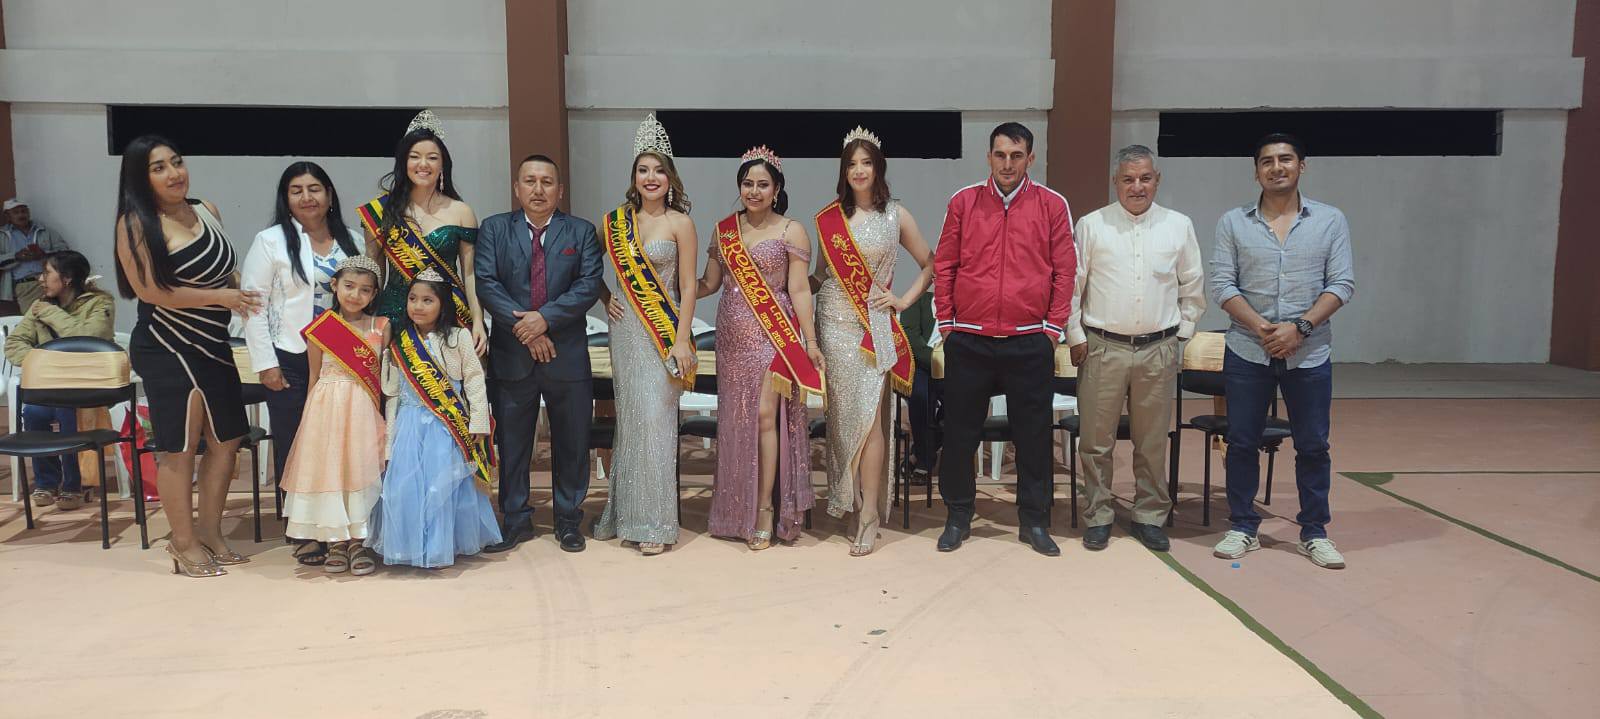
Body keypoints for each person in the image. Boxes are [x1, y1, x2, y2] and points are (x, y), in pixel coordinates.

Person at [112, 135, 263, 577]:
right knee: (178, 448)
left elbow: (227, 273)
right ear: (141, 178)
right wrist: (224, 297)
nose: (174, 173)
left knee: (227, 441)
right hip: (166, 343)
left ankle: (211, 533)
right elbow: (151, 292)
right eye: (158, 167)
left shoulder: (206, 209)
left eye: (176, 162)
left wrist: (250, 295)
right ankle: (182, 541)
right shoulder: (134, 223)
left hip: (214, 342)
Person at [1209, 133, 1354, 570]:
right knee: (1241, 441)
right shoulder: (1233, 222)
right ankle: (1243, 526)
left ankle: (1315, 532)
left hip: (1309, 353)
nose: (1277, 167)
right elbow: (1222, 285)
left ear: (1301, 166)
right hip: (1247, 349)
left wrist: (1300, 327)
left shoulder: (1330, 220)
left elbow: (1342, 283)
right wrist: (1262, 328)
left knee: (1313, 445)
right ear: (1256, 171)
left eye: (1286, 159)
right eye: (1267, 161)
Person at [932, 122, 1075, 556]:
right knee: (960, 435)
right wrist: (948, 324)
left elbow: (1065, 270)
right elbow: (945, 264)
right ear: (989, 157)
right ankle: (958, 516)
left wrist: (1052, 329)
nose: (1007, 164)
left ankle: (1034, 522)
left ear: (1030, 158)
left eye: (1016, 155)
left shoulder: (1052, 205)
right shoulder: (964, 202)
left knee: (1033, 437)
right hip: (970, 340)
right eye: (1000, 155)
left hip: (1029, 341)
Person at [1066, 145, 1205, 552]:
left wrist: (1183, 335)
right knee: (1095, 442)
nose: (1137, 186)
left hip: (1158, 348)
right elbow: (1073, 285)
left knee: (1152, 441)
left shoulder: (1178, 226)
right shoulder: (1092, 225)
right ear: (1116, 182)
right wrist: (1075, 335)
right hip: (1102, 347)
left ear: (1157, 180)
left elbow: (1193, 285)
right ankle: (1098, 514)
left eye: (1145, 178)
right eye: (1128, 179)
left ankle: (1149, 515)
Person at [811, 127, 933, 556]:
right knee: (842, 420)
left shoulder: (896, 215)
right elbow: (822, 275)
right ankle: (852, 499)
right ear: (843, 171)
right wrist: (789, 293)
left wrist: (903, 300)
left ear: (878, 168)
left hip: (872, 326)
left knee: (871, 420)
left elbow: (930, 263)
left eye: (866, 163)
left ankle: (869, 513)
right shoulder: (830, 219)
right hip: (832, 321)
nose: (859, 170)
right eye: (851, 164)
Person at [474, 154, 604, 554]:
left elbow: (588, 285)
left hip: (567, 355)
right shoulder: (495, 229)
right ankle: (515, 521)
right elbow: (487, 284)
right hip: (512, 356)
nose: (538, 189)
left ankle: (568, 520)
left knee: (572, 442)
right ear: (517, 188)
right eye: (529, 181)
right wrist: (528, 332)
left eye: (547, 182)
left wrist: (543, 320)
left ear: (559, 190)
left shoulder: (581, 231)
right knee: (513, 445)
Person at [699, 146, 826, 550]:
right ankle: (736, 509)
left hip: (774, 336)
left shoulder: (792, 230)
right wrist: (672, 289)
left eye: (762, 184)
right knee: (736, 420)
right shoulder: (724, 231)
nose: (754, 191)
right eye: (747, 183)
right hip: (732, 338)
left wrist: (810, 341)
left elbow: (799, 289)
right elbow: (709, 284)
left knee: (765, 416)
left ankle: (766, 509)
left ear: (776, 189)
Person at [240, 162, 364, 562]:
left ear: (329, 194)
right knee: (296, 442)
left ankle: (345, 527)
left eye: (315, 189)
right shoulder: (270, 241)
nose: (307, 197)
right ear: (286, 198)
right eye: (297, 190)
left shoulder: (354, 240)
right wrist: (265, 362)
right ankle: (303, 530)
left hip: (343, 359)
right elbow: (253, 306)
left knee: (341, 443)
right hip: (291, 355)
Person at [595, 115, 699, 556]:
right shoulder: (615, 222)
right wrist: (605, 297)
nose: (650, 177)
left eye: (658, 170)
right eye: (643, 170)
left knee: (657, 422)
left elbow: (689, 286)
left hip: (664, 333)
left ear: (670, 176)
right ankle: (627, 515)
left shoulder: (680, 223)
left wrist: (682, 339)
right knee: (633, 422)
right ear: (634, 176)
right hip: (626, 332)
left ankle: (655, 523)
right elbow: (586, 267)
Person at [365, 270, 501, 568]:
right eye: (413, 299)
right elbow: (393, 392)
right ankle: (408, 546)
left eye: (428, 300)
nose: (418, 306)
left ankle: (440, 546)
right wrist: (390, 434)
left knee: (443, 489)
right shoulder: (401, 341)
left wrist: (478, 422)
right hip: (408, 426)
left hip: (447, 427)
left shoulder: (458, 336)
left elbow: (474, 381)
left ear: (443, 304)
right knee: (406, 488)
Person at [278, 256, 387, 574]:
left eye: (365, 290)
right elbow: (313, 376)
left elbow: (382, 377)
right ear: (335, 285)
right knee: (330, 472)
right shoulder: (321, 328)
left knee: (359, 470)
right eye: (349, 286)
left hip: (363, 408)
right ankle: (336, 541)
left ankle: (358, 541)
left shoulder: (381, 327)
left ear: (374, 294)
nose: (355, 295)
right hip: (326, 408)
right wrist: (309, 419)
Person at [358, 110, 486, 355]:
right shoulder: (381, 211)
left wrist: (478, 320)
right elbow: (375, 272)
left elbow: (470, 274)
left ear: (443, 164)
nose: (423, 164)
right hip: (393, 315)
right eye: (415, 157)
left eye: (432, 157)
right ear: (403, 163)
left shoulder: (461, 212)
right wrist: (367, 319)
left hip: (447, 315)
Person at [2, 250, 114, 510]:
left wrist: (51, 314)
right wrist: (44, 362)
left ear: (67, 278)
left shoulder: (100, 303)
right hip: (50, 383)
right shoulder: (40, 304)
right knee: (33, 412)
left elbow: (87, 339)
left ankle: (75, 485)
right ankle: (47, 482)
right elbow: (15, 343)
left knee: (67, 412)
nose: (40, 279)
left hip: (87, 386)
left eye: (46, 273)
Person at [898, 288, 940, 481]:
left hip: (953, 368)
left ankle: (921, 453)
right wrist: (937, 361)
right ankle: (924, 460)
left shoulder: (964, 302)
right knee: (920, 397)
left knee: (962, 401)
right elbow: (912, 339)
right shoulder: (917, 301)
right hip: (922, 365)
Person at [2, 198, 71, 311]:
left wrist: (44, 254)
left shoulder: (44, 230)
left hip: (51, 281)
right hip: (26, 285)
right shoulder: (2, 235)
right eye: (16, 212)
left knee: (59, 316)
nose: (21, 215)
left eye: (24, 211)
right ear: (7, 216)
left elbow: (65, 252)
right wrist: (15, 256)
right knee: (34, 318)